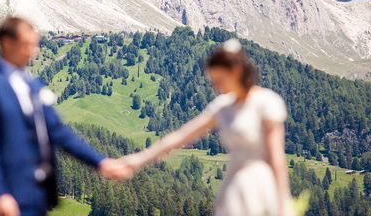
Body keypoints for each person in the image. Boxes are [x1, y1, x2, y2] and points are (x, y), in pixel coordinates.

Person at [0, 16, 131, 216]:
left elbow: (60, 133)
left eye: (35, 45)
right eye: (27, 44)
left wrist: (100, 162)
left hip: (40, 194)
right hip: (11, 195)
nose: (33, 51)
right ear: (7, 43)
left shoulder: (33, 85)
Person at [121, 38, 294, 216]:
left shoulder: (266, 102)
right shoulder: (223, 105)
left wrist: (283, 202)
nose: (216, 86)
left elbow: (276, 156)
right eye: (213, 81)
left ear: (236, 71)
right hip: (234, 184)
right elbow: (180, 137)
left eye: (219, 79)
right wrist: (137, 160)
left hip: (261, 183)